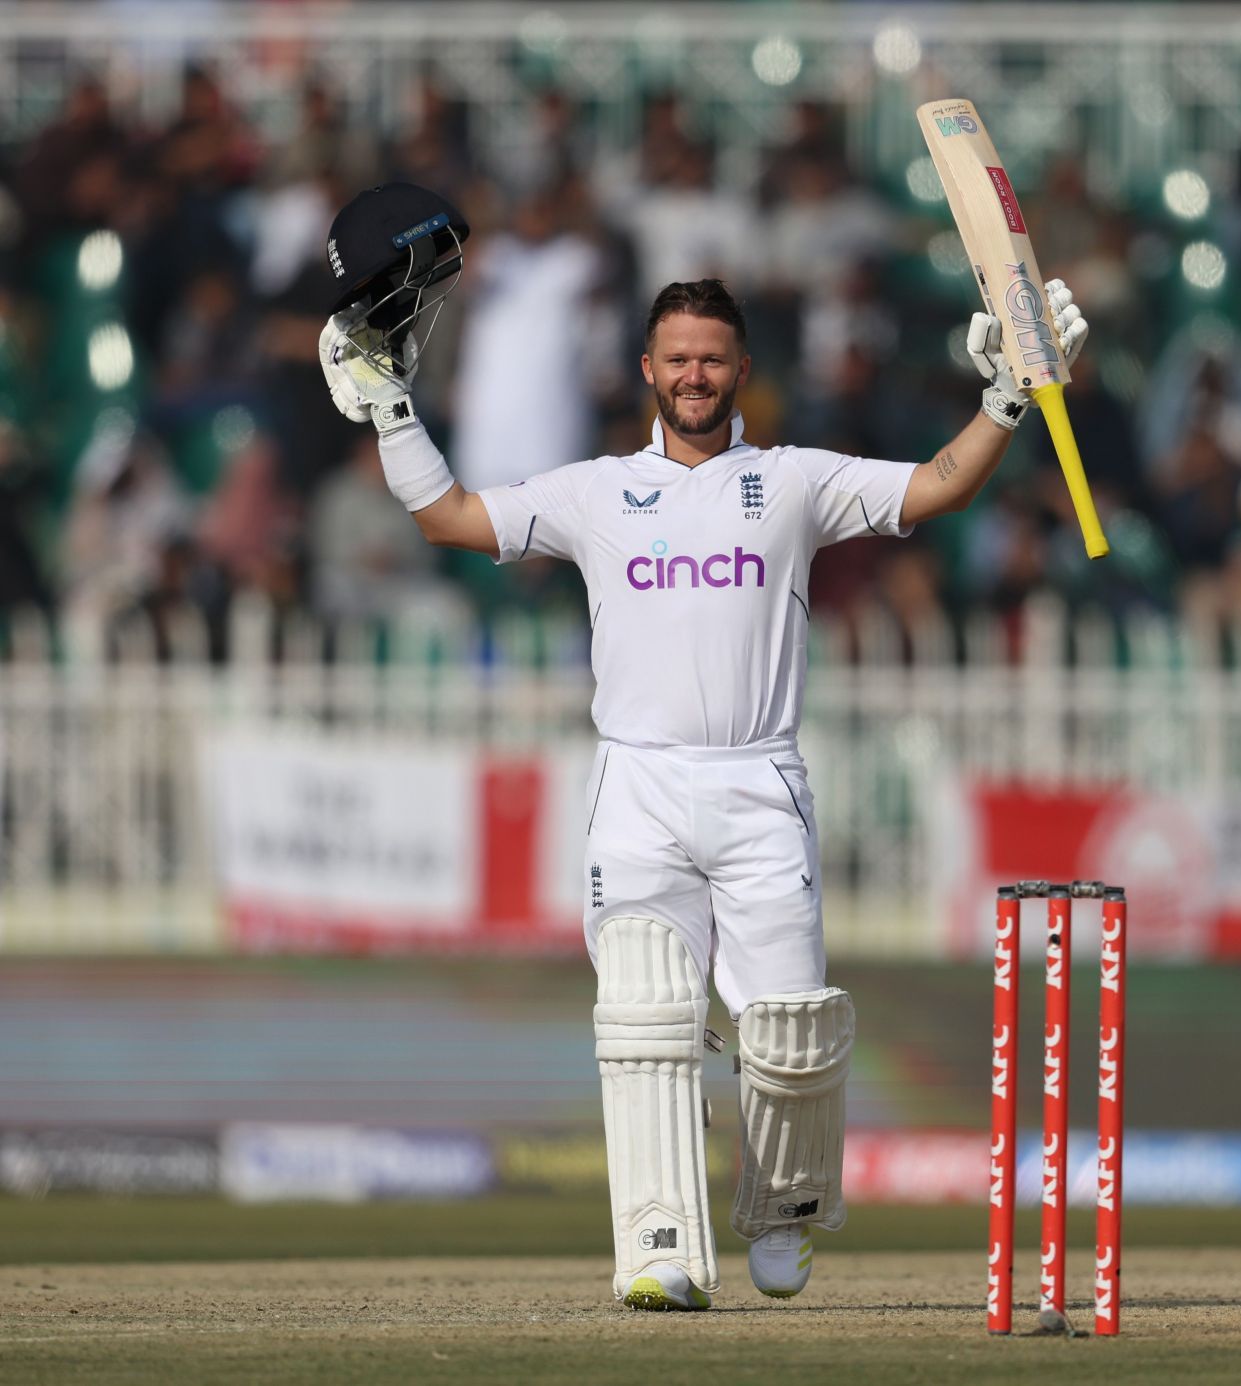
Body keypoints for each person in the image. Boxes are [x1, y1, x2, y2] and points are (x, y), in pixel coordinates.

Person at [317, 184, 1088, 1313]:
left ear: (739, 370)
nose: (694, 376)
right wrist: (392, 414)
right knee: (644, 1013)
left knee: (788, 1032)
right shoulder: (595, 494)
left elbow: (938, 485)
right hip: (638, 784)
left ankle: (783, 1218)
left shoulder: (792, 482)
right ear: (648, 368)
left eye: (713, 359)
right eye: (676, 358)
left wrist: (1012, 398)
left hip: (759, 781)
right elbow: (452, 520)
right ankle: (659, 1247)